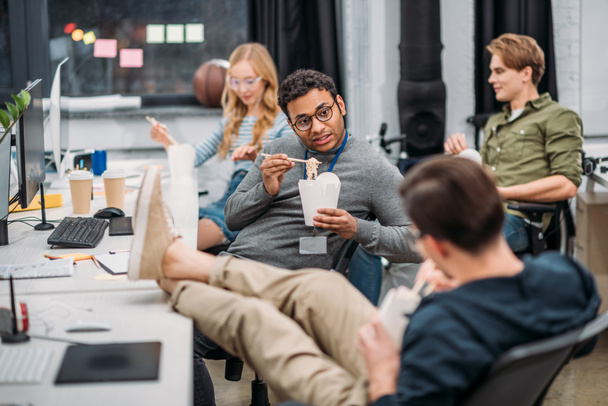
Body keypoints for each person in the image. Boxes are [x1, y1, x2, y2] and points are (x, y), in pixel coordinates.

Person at [127, 156, 600, 405]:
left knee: (260, 322)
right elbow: (576, 341)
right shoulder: (566, 277)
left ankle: (173, 279)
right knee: (323, 286)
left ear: (433, 247)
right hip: (419, 355)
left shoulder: (446, 323)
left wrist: (381, 370)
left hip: (380, 390)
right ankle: (189, 262)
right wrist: (470, 285)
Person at [223, 68, 421, 271]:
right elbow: (231, 218)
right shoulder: (277, 151)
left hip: (287, 282)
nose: (317, 128)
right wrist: (265, 191)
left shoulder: (372, 167)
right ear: (292, 125)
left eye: (324, 113)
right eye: (303, 121)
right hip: (234, 262)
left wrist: (356, 228)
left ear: (341, 106)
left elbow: (419, 242)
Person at [444, 33, 583, 253]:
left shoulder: (558, 117)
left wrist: (502, 192)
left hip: (520, 220)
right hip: (481, 212)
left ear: (525, 73)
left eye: (499, 71)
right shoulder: (494, 121)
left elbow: (567, 184)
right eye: (491, 72)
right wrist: (463, 156)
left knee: (458, 247)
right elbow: (485, 175)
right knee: (406, 234)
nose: (491, 79)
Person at [148, 42, 293, 252]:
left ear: (266, 79)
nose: (242, 89)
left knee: (177, 246)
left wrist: (256, 159)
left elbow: (289, 173)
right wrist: (165, 140)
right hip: (232, 199)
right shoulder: (232, 120)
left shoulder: (282, 121)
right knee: (165, 229)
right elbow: (193, 158)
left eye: (250, 81)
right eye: (235, 82)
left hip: (258, 202)